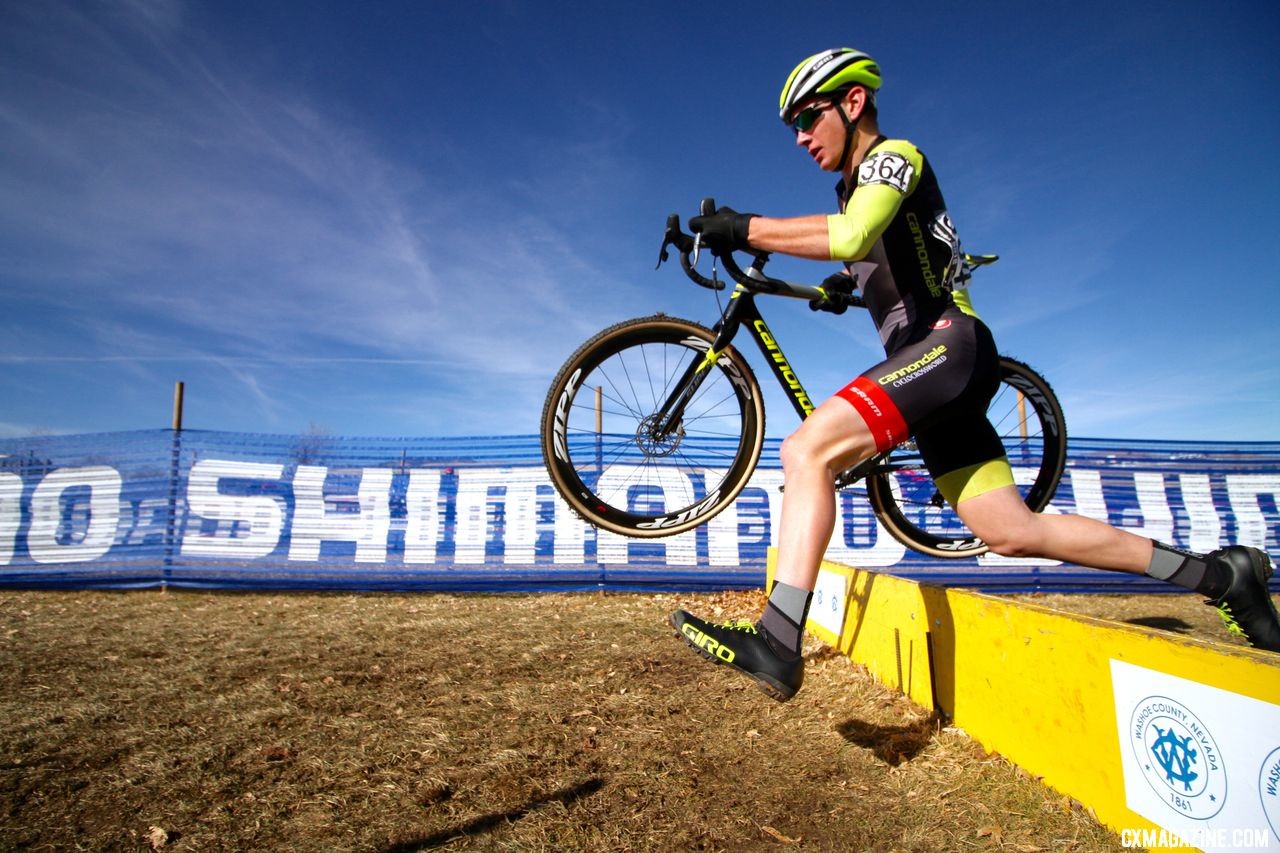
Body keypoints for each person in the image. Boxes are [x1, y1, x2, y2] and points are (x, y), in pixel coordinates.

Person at [670, 48, 1280, 702]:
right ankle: (1222, 574)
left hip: (946, 346)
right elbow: (874, 251)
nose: (799, 135)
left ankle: (778, 638)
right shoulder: (856, 187)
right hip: (939, 362)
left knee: (806, 449)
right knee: (1013, 531)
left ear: (852, 103)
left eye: (808, 116)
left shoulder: (892, 157)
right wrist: (840, 285)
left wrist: (744, 227)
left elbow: (851, 235)